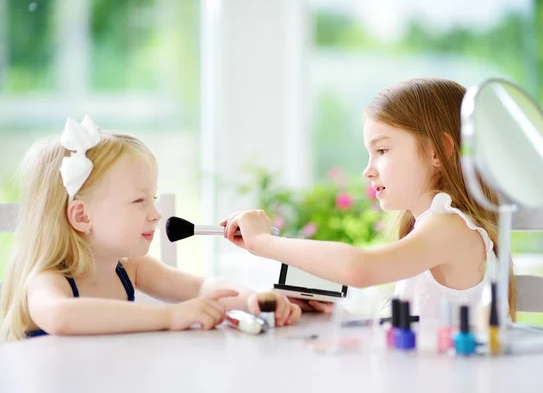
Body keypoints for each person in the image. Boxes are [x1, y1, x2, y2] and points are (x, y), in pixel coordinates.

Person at [221, 78, 515, 321]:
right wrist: (336, 314)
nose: (368, 170)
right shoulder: (431, 226)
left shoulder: (452, 229)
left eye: (382, 150)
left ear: (438, 151)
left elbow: (359, 269)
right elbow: (413, 330)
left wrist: (263, 242)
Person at [0, 116, 300, 341]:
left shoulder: (132, 270)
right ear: (82, 216)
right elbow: (60, 316)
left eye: (153, 199)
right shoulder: (49, 279)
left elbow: (201, 288)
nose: (156, 214)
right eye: (139, 200)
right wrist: (168, 316)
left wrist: (253, 301)